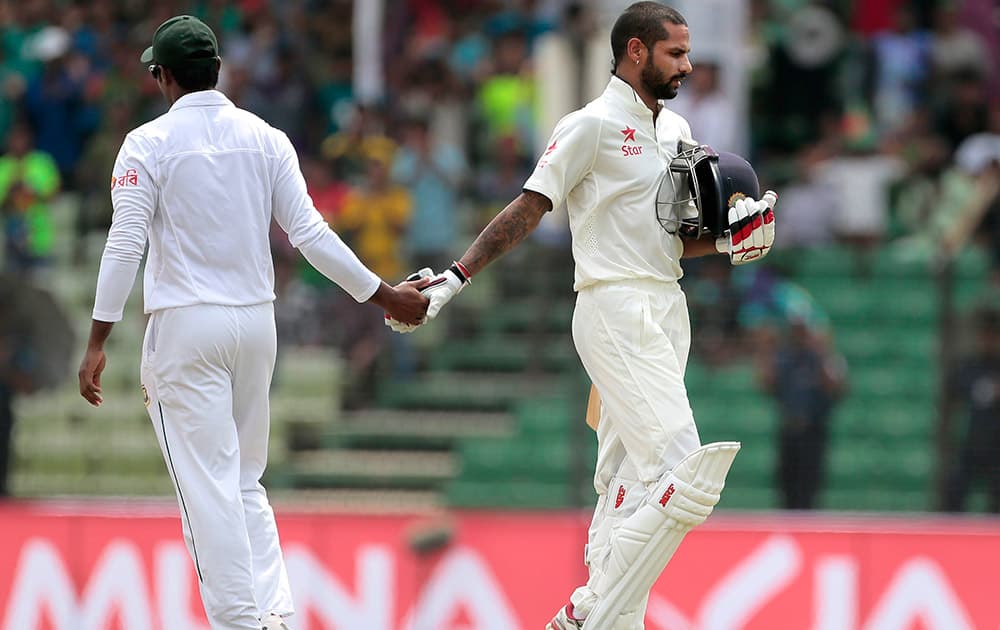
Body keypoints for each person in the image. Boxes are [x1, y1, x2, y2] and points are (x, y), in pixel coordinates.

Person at [388, 3, 777, 628]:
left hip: (667, 303)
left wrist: (738, 239)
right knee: (686, 474)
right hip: (613, 303)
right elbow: (527, 208)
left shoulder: (676, 131)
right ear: (636, 52)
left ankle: (609, 614)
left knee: (625, 485)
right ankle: (588, 611)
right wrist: (453, 280)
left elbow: (678, 238)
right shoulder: (589, 125)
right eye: (675, 52)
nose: (688, 63)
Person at [75, 16, 428, 630]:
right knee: (243, 481)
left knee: (205, 486)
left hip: (186, 327)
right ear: (219, 70)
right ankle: (275, 614)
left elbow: (125, 241)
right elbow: (311, 234)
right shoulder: (266, 138)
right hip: (255, 327)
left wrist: (98, 337)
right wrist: (383, 295)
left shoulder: (146, 144)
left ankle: (241, 622)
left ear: (162, 76)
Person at [759, 316, 846, 509]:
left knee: (810, 483)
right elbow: (767, 383)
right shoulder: (785, 358)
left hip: (813, 430)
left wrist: (822, 351)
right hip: (789, 429)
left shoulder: (822, 359)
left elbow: (837, 387)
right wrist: (768, 350)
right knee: (786, 484)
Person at [944, 305, 1000, 512]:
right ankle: (949, 532)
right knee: (956, 485)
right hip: (974, 441)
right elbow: (956, 384)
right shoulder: (971, 366)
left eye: (993, 336)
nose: (989, 341)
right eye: (985, 336)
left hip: (998, 445)